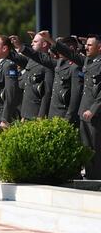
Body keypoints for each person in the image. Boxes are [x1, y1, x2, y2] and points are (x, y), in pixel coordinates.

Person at [43, 31, 101, 179]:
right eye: (86, 45)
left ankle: (95, 179)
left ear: (99, 47)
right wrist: (50, 40)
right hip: (84, 112)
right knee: (86, 147)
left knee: (95, 148)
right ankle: (90, 177)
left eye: (89, 45)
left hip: (95, 114)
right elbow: (70, 54)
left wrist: (93, 109)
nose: (86, 47)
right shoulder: (88, 61)